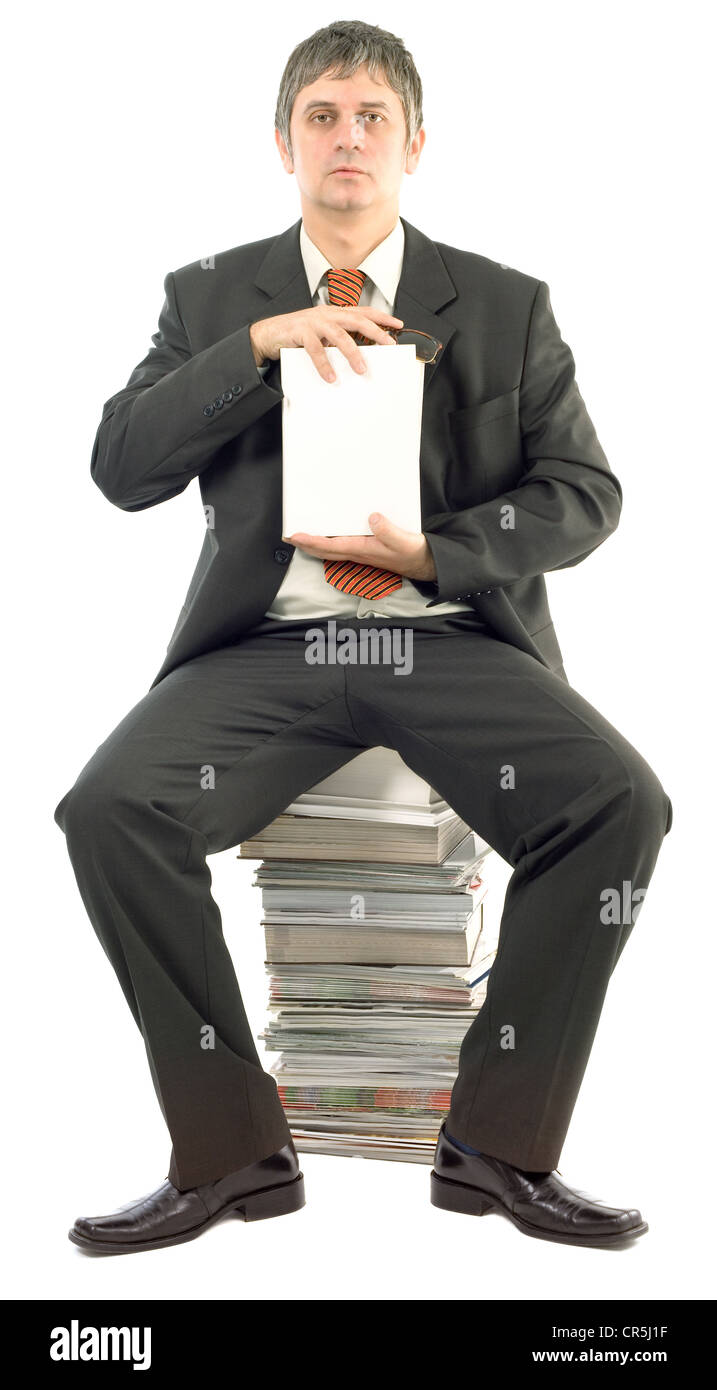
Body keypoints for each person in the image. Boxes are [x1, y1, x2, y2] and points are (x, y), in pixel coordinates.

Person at [55, 19, 673, 1255]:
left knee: (621, 805)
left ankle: (498, 1149)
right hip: (268, 649)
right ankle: (233, 1154)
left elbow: (585, 494)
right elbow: (120, 470)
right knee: (110, 809)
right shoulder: (210, 296)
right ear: (282, 144)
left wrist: (437, 550)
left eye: (371, 118)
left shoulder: (504, 303)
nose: (348, 139)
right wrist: (255, 348)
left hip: (445, 637)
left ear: (415, 146)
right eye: (323, 117)